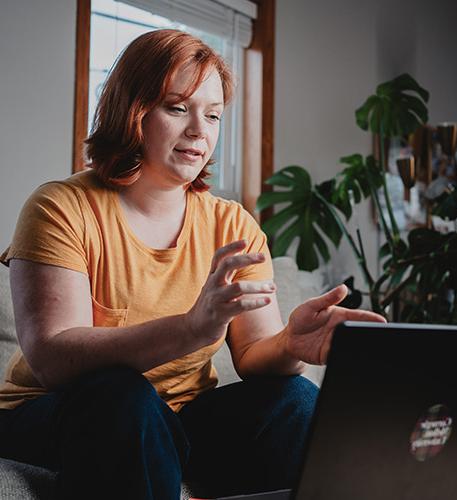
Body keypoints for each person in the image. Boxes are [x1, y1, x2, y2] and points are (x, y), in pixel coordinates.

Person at [0, 29, 385, 500]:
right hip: (59, 410)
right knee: (123, 396)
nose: (200, 131)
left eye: (214, 114)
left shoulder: (231, 222)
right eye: (178, 108)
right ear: (132, 110)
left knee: (297, 399)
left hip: (179, 417)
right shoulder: (61, 207)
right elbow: (52, 360)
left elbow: (253, 354)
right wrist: (190, 328)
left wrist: (291, 343)